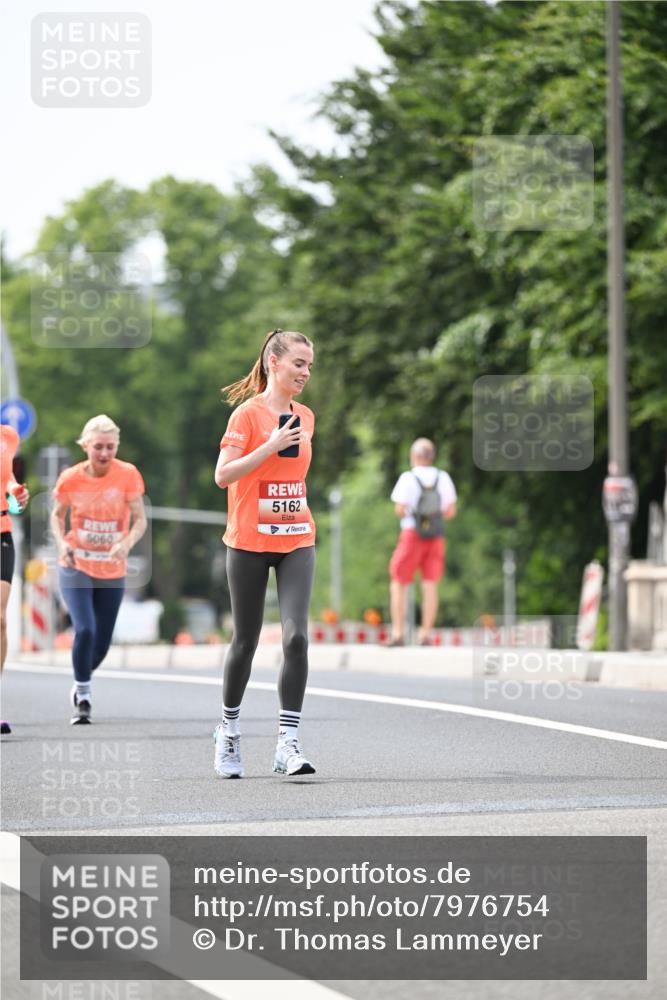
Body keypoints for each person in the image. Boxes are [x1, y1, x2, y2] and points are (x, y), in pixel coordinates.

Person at [214, 328, 316, 778]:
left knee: (296, 638)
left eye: (310, 365)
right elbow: (223, 475)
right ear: (274, 363)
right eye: (299, 363)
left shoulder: (307, 416)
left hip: (296, 538)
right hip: (249, 542)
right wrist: (269, 446)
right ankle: (229, 729)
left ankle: (287, 743)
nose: (306, 372)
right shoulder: (246, 416)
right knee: (246, 641)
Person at [50, 415, 146, 724]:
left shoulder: (128, 475)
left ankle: (81, 677)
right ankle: (84, 696)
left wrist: (126, 543)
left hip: (111, 566)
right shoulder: (71, 478)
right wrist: (61, 545)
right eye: (98, 447)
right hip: (75, 564)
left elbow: (140, 519)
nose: (104, 454)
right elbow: (56, 515)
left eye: (110, 447)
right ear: (85, 446)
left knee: (101, 645)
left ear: (117, 446)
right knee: (86, 629)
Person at [387, 437, 457, 646]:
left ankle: (398, 633)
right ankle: (425, 633)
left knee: (398, 581)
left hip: (412, 534)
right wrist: (432, 520)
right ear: (432, 457)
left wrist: (417, 518)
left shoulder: (408, 478)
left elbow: (400, 509)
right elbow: (451, 511)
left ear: (414, 456)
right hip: (435, 535)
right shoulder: (443, 477)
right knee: (430, 584)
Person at [1, 423, 30, 734]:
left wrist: (14, 490)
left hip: (2, 531)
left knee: (1, 620)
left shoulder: (7, 435)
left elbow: (6, 475)